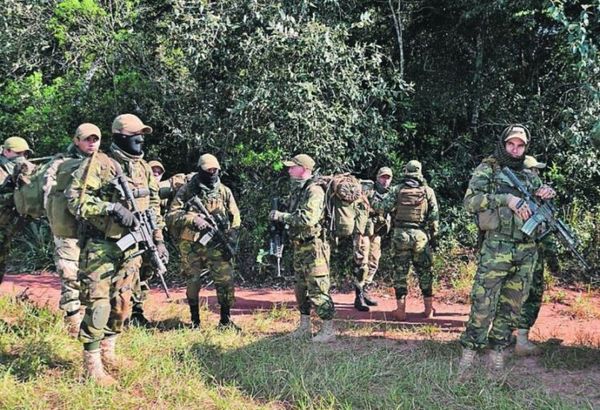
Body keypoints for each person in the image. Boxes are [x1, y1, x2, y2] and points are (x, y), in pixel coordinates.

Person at [66, 114, 167, 386]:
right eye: (135, 134)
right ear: (121, 136)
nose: (141, 139)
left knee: (123, 305)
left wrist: (157, 239)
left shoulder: (144, 168)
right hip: (101, 246)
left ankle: (109, 353)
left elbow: (154, 206)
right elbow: (76, 202)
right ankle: (91, 365)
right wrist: (111, 208)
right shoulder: (99, 164)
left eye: (142, 134)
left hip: (132, 247)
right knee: (98, 306)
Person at [458, 125, 556, 374]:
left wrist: (545, 194)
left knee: (511, 307)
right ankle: (469, 354)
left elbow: (537, 206)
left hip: (526, 250)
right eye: (511, 144)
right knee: (483, 303)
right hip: (497, 248)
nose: (515, 149)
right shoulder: (488, 169)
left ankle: (497, 354)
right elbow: (470, 202)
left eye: (520, 145)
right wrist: (506, 200)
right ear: (503, 144)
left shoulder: (529, 174)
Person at [166, 153, 241, 330]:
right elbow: (171, 216)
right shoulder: (187, 190)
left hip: (216, 243)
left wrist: (230, 238)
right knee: (193, 281)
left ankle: (225, 320)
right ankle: (195, 321)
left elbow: (235, 217)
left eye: (215, 170)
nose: (212, 173)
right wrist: (193, 219)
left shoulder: (224, 191)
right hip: (192, 244)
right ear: (200, 170)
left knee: (225, 280)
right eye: (208, 170)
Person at [269, 154, 336, 342]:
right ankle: (305, 326)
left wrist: (281, 216)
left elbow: (308, 219)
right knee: (300, 288)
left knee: (318, 288)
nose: (289, 170)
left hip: (315, 247)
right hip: (300, 246)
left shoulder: (315, 191)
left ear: (304, 169)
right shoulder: (300, 190)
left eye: (293, 167)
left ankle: (328, 330)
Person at [46, 124, 102, 336]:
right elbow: (48, 194)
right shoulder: (61, 163)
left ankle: (90, 321)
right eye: (87, 139)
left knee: (91, 274)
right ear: (76, 140)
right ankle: (72, 323)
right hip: (67, 229)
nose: (91, 143)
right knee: (69, 274)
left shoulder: (103, 164)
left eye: (95, 139)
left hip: (94, 230)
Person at [372, 160, 439, 320]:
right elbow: (434, 218)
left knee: (400, 273)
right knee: (424, 272)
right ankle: (428, 310)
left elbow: (383, 208)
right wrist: (434, 238)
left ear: (406, 171)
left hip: (400, 235)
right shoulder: (428, 191)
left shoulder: (396, 189)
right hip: (420, 236)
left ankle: (401, 311)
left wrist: (371, 202)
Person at [512, 155, 560, 355]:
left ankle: (503, 335)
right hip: (530, 253)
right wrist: (554, 262)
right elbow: (545, 236)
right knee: (532, 293)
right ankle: (521, 340)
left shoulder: (510, 193)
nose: (537, 174)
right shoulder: (527, 198)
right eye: (535, 170)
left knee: (509, 294)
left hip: (506, 253)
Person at [128, 159, 166, 327]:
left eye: (159, 172)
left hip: (148, 235)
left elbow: (157, 216)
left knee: (146, 273)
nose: (156, 174)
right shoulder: (132, 187)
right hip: (129, 232)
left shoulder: (158, 194)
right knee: (130, 272)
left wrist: (159, 241)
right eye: (154, 171)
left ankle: (137, 311)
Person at [353, 167, 393, 311]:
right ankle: (359, 297)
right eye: (383, 177)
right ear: (377, 178)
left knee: (374, 262)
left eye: (388, 178)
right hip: (364, 231)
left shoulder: (391, 193)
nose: (385, 180)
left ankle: (366, 291)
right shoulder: (368, 190)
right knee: (361, 262)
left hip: (376, 232)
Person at [0, 137, 34, 284]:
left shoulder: (24, 169)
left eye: (25, 154)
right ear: (6, 151)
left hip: (6, 227)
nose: (22, 157)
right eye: (18, 153)